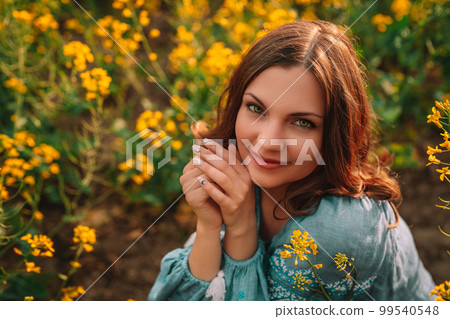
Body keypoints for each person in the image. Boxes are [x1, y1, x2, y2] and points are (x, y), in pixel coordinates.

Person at [147, 20, 435, 301]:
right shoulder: (246, 179)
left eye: (302, 122)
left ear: (334, 133)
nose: (268, 142)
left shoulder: (342, 228)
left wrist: (242, 228)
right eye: (256, 108)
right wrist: (209, 227)